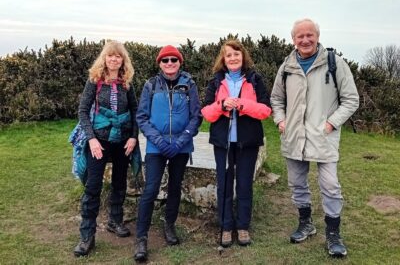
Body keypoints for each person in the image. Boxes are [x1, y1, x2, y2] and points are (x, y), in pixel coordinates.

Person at [270, 18, 359, 257]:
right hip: (294, 137)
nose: (305, 40)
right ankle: (306, 223)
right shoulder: (286, 66)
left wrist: (332, 122)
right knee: (297, 184)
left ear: (317, 37)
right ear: (293, 39)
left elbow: (351, 99)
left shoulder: (335, 63)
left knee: (330, 186)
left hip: (323, 136)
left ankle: (333, 234)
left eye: (310, 35)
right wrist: (280, 120)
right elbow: (276, 99)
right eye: (300, 36)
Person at [134, 45, 202, 262]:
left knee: (175, 186)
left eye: (174, 59)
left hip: (180, 146)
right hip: (157, 146)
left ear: (180, 62)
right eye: (165, 60)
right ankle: (141, 238)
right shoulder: (151, 85)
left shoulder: (188, 84)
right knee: (151, 189)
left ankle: (169, 226)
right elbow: (142, 117)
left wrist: (182, 140)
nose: (170, 63)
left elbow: (196, 116)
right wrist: (160, 141)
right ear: (159, 63)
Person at [201, 39, 272, 247]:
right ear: (223, 59)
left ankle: (242, 227)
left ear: (243, 57)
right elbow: (206, 112)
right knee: (224, 185)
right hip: (223, 143)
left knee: (244, 185)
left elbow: (265, 110)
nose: (233, 58)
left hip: (247, 142)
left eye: (236, 54)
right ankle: (225, 226)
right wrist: (222, 105)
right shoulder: (216, 81)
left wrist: (242, 104)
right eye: (228, 55)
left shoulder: (254, 79)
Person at [73, 41, 138, 257]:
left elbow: (136, 112)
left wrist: (134, 138)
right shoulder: (95, 81)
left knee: (119, 183)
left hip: (122, 141)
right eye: (110, 56)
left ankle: (115, 221)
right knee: (93, 187)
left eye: (118, 56)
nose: (114, 59)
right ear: (105, 58)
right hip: (99, 141)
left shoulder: (127, 83)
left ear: (123, 60)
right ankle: (87, 236)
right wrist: (91, 140)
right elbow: (83, 111)